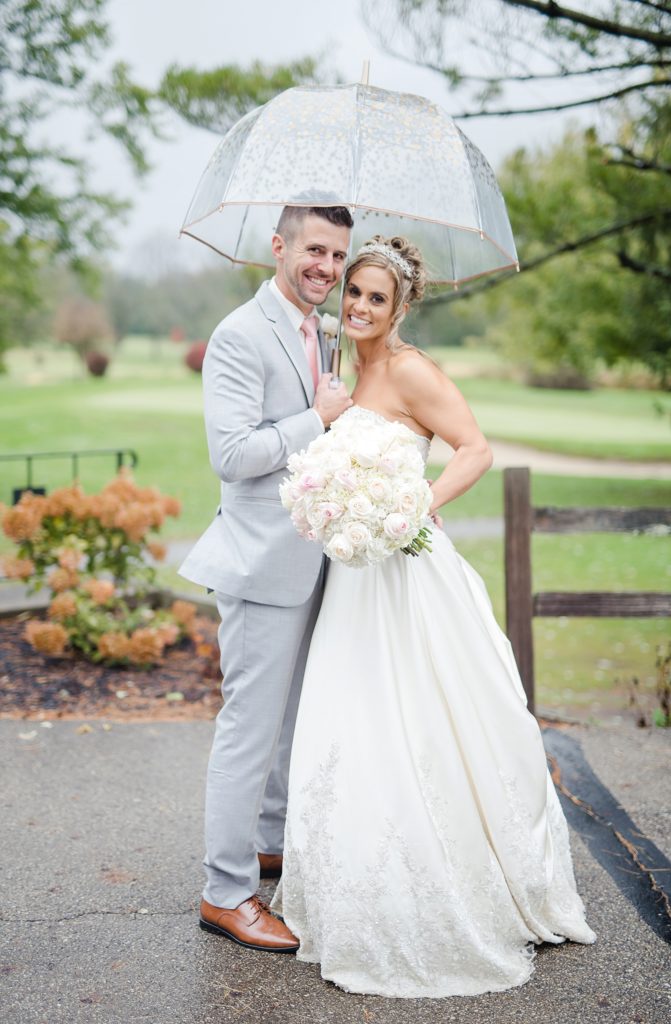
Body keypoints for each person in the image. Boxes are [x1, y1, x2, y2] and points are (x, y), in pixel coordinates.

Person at [272, 236, 596, 996]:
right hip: (354, 582)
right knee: (352, 722)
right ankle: (352, 880)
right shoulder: (342, 366)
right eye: (353, 292)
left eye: (375, 298)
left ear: (400, 308)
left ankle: (451, 881)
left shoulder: (411, 369)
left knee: (417, 721)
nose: (358, 306)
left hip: (406, 578)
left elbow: (473, 449)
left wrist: (414, 502)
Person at [178, 205, 353, 952]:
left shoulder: (322, 332)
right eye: (315, 249)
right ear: (278, 246)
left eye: (338, 255)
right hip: (259, 563)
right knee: (248, 730)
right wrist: (318, 417)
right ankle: (225, 892)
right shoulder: (239, 334)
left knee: (290, 723)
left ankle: (269, 846)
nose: (327, 267)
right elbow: (233, 455)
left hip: (315, 557)